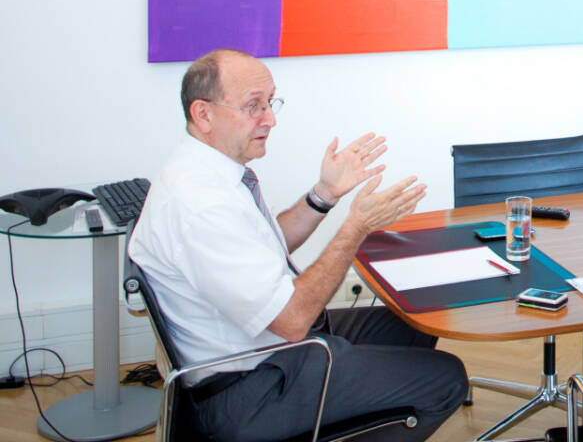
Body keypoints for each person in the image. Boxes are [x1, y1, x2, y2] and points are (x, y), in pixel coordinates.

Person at [128, 49, 468, 442]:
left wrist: (324, 194)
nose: (270, 119)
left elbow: (266, 243)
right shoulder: (201, 205)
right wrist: (355, 227)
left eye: (270, 103)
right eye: (254, 106)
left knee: (408, 318)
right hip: (248, 389)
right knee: (445, 378)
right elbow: (292, 322)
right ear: (203, 114)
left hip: (265, 351)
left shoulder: (207, 172)